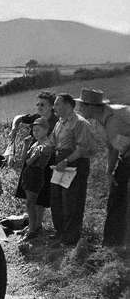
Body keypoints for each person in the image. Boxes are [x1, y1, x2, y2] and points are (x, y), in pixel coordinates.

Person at [77, 88, 130, 246]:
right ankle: (111, 243)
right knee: (116, 198)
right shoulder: (102, 121)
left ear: (91, 106)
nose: (79, 109)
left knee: (120, 199)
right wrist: (109, 171)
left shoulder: (115, 120)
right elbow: (112, 147)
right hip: (125, 158)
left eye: (82, 106)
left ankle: (118, 244)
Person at [49, 92, 97, 246]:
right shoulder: (60, 122)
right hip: (61, 164)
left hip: (75, 164)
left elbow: (82, 148)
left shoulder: (80, 123)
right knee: (57, 199)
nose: (54, 107)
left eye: (57, 103)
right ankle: (60, 233)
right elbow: (53, 142)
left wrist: (66, 160)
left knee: (72, 202)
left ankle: (71, 238)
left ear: (69, 105)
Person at [13, 92, 57, 239]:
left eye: (43, 104)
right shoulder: (36, 119)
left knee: (41, 198)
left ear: (52, 106)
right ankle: (35, 226)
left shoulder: (57, 121)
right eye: (37, 104)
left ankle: (36, 227)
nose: (39, 107)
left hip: (46, 160)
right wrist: (14, 128)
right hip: (33, 158)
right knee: (32, 197)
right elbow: (19, 117)